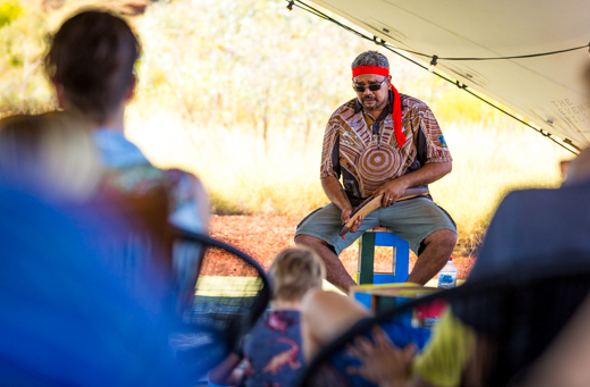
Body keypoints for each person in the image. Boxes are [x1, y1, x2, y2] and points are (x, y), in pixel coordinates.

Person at [44, 10, 210, 311]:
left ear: (57, 87)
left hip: (36, 353)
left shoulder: (23, 185)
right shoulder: (184, 192)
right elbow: (177, 305)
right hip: (143, 355)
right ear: (131, 87)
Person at [294, 51, 457, 292]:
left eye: (374, 85)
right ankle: (356, 297)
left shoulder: (417, 111)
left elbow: (443, 163)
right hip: (356, 202)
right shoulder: (341, 118)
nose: (366, 93)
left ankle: (402, 296)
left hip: (409, 200)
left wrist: (402, 183)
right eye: (359, 87)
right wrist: (344, 207)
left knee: (445, 237)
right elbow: (328, 173)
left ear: (388, 82)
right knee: (306, 238)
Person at [208, 246, 340, 386]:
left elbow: (216, 376)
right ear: (316, 289)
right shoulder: (325, 330)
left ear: (271, 285)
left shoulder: (253, 327)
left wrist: (246, 376)